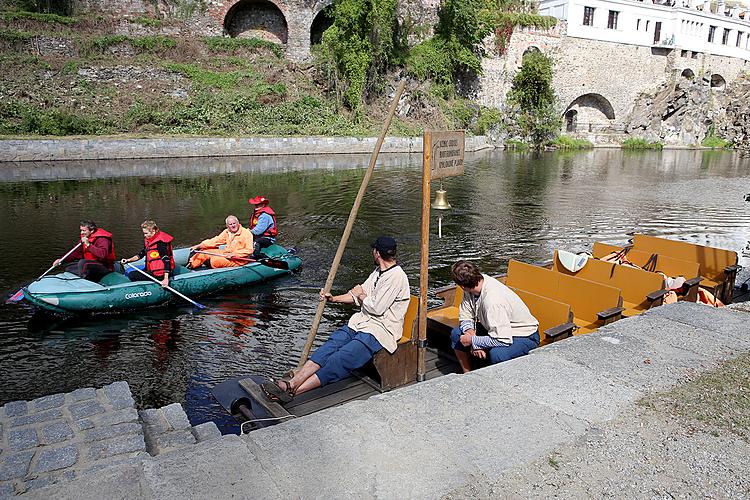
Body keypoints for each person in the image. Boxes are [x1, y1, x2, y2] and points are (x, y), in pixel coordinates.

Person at [261, 236, 410, 403]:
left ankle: (294, 392)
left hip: (380, 330)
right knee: (329, 347)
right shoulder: (377, 273)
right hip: (361, 322)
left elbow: (376, 307)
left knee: (340, 358)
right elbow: (355, 295)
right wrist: (333, 299)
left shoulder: (397, 276)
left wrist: (361, 294)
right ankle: (291, 383)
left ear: (377, 253)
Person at [450, 260, 540, 373]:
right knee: (456, 334)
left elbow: (503, 339)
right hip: (495, 328)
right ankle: (467, 373)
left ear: (462, 286)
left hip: (523, 335)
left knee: (498, 354)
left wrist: (474, 341)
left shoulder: (493, 302)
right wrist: (470, 333)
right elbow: (466, 315)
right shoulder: (473, 286)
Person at [120, 220, 174, 287]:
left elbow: (166, 260)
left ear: (153, 231)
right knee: (132, 272)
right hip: (153, 270)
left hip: (160, 274)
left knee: (132, 275)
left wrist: (165, 279)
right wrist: (128, 260)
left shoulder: (160, 243)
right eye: (144, 233)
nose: (144, 236)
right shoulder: (150, 241)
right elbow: (141, 254)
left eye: (146, 233)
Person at [188, 215, 253, 269]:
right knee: (204, 252)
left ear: (238, 223)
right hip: (226, 254)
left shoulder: (246, 233)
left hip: (238, 260)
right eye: (230, 224)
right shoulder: (227, 232)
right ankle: (191, 267)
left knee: (215, 260)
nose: (233, 225)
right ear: (227, 226)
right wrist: (199, 245)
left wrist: (234, 254)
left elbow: (249, 250)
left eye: (234, 223)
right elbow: (215, 241)